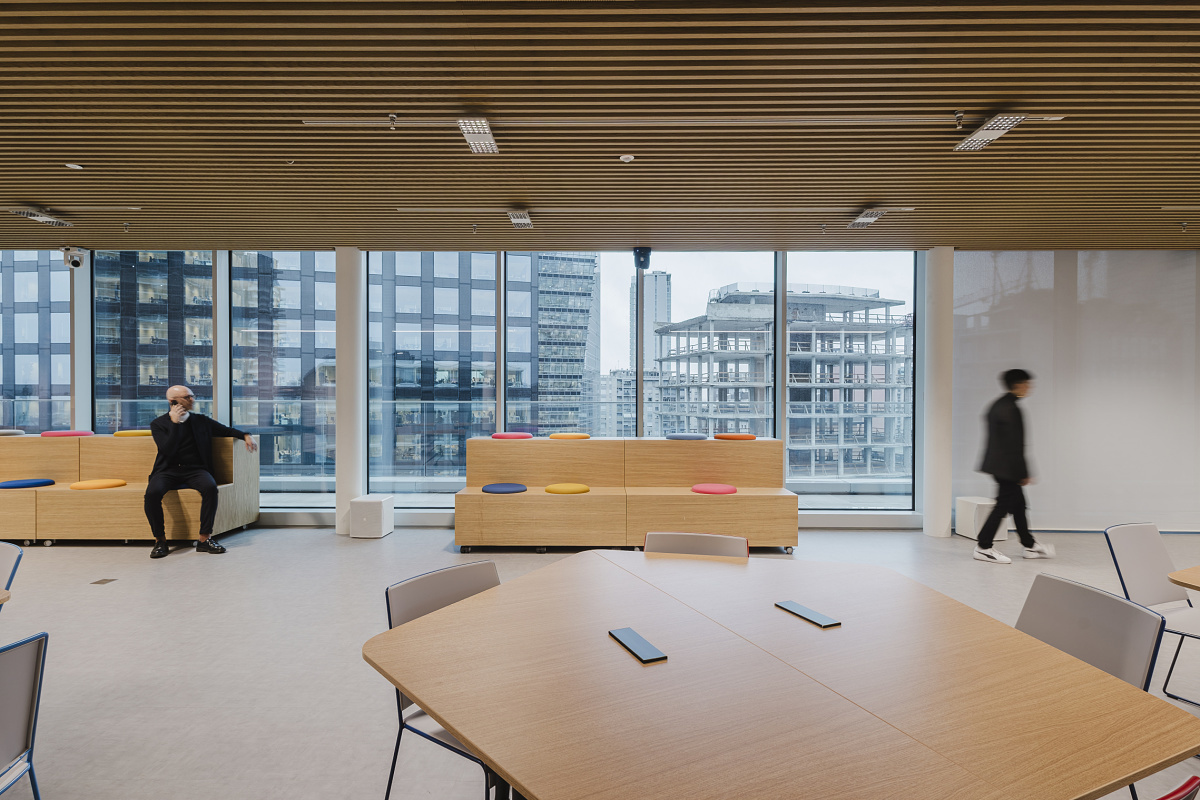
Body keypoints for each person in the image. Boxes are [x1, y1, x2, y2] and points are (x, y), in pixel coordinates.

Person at [145, 385, 257, 559]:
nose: (192, 400)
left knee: (210, 487)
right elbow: (168, 450)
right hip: (167, 470)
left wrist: (245, 435)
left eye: (192, 396)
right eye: (187, 397)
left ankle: (205, 539)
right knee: (152, 493)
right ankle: (160, 540)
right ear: (172, 402)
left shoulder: (201, 420)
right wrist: (175, 424)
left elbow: (226, 430)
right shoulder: (159, 424)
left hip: (195, 469)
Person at [973, 368, 1055, 564]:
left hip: (999, 465)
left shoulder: (997, 405)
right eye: (1027, 384)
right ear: (1018, 384)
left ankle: (1029, 545)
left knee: (1018, 506)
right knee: (1002, 506)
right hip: (1007, 467)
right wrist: (1023, 472)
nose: (1029, 388)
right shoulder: (1011, 409)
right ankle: (983, 547)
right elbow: (1015, 444)